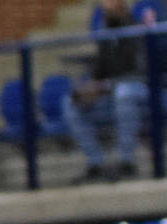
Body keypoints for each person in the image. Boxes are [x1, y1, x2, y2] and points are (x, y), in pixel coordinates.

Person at [63, 0, 154, 183]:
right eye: (104, 10)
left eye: (110, 9)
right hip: (112, 93)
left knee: (124, 93)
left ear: (122, 8)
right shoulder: (106, 36)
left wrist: (103, 86)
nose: (105, 13)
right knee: (70, 102)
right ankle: (95, 162)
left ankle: (126, 161)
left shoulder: (135, 31)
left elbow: (138, 72)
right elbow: (100, 71)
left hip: (140, 90)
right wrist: (89, 88)